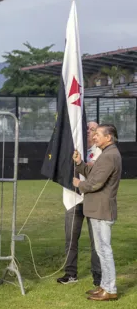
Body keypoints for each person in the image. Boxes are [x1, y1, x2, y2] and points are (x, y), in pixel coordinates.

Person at [73, 124, 121, 301]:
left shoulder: (109, 156)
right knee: (101, 250)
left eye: (98, 134)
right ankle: (105, 286)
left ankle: (110, 289)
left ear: (108, 137)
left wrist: (79, 185)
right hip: (98, 209)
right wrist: (79, 163)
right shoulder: (107, 154)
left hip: (102, 209)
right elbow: (92, 174)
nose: (94, 137)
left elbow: (94, 183)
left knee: (104, 250)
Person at [57, 121, 102, 286]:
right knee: (71, 239)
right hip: (73, 199)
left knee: (96, 240)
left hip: (93, 200)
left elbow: (96, 173)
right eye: (87, 128)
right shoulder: (74, 149)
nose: (89, 131)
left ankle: (98, 275)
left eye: (93, 129)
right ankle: (70, 273)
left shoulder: (100, 151)